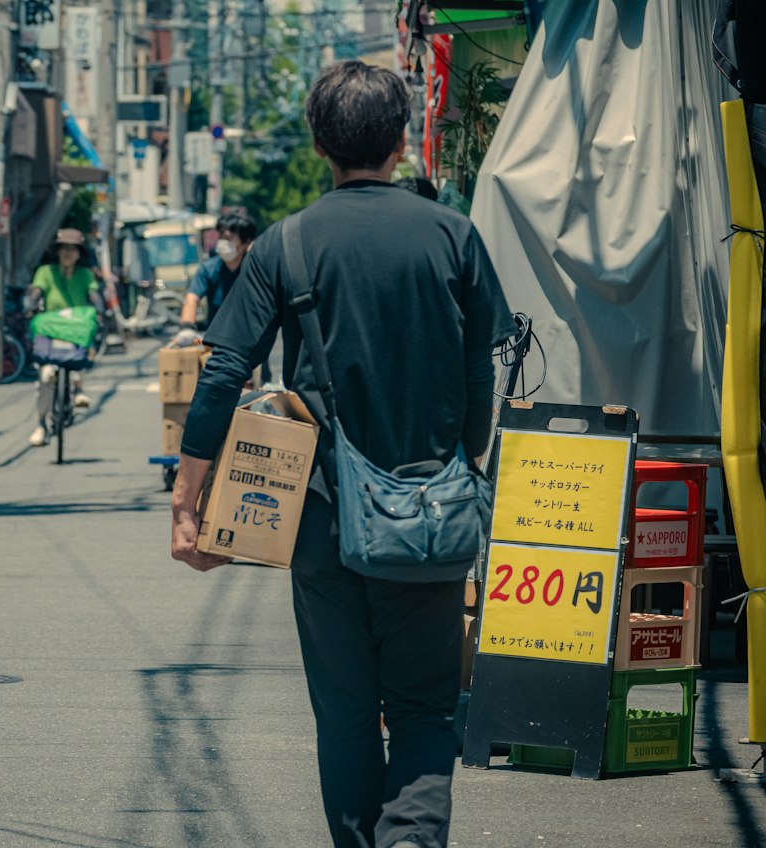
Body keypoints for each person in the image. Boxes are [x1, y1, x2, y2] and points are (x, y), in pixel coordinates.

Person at [169, 61, 513, 848]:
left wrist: (188, 501)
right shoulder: (453, 237)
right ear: (401, 141)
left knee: (347, 714)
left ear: (319, 144)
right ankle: (411, 838)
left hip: (321, 520)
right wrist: (459, 467)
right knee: (424, 710)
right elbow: (479, 379)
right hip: (431, 516)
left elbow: (223, 374)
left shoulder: (285, 245)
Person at [26, 228, 103, 447]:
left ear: (79, 253)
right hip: (52, 326)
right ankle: (41, 423)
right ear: (57, 251)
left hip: (76, 327)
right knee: (44, 378)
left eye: (72, 249)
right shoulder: (46, 272)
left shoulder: (85, 275)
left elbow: (94, 294)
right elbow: (36, 291)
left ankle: (78, 388)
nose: (68, 253)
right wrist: (31, 303)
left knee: (79, 354)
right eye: (64, 248)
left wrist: (99, 308)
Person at [179, 207, 257, 329]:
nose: (222, 243)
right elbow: (192, 299)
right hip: (216, 334)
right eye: (221, 237)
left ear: (246, 242)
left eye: (229, 239)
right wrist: (186, 328)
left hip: (248, 334)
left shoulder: (255, 270)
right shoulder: (208, 269)